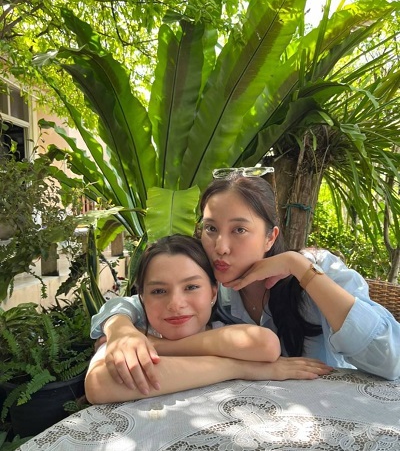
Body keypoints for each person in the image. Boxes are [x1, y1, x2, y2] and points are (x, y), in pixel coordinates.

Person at [91, 169, 400, 395]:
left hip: (338, 407)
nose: (221, 247)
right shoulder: (209, 284)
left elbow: (391, 361)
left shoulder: (317, 273)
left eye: (239, 230)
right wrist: (119, 329)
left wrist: (299, 267)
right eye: (211, 229)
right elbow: (140, 302)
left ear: (270, 237)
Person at [85, 234, 284, 403]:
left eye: (191, 287)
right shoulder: (132, 338)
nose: (175, 304)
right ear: (142, 298)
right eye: (159, 291)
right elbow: (99, 384)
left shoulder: (222, 331)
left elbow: (266, 344)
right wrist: (240, 368)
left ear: (213, 292)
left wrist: (156, 345)